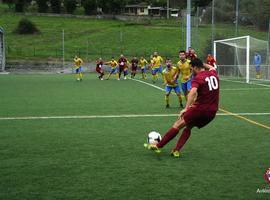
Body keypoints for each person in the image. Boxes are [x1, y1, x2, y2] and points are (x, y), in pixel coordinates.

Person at [145, 58, 220, 158]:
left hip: (200, 109)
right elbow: (210, 67)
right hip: (212, 112)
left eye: (192, 69)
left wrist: (186, 108)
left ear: (196, 68)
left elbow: (192, 92)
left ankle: (158, 146)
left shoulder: (198, 78)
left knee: (177, 124)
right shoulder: (213, 73)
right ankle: (176, 151)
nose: (191, 71)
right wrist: (201, 63)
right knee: (189, 127)